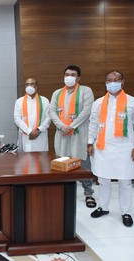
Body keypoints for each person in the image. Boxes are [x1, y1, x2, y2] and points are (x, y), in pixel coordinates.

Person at [88, 70, 134, 227]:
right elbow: (93, 124)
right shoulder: (98, 102)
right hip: (102, 148)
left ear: (123, 82)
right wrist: (89, 142)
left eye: (116, 79)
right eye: (109, 80)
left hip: (125, 149)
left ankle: (126, 212)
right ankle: (104, 207)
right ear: (105, 82)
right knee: (103, 180)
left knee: (125, 182)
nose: (112, 82)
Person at [49, 65, 96, 208]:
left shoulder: (85, 91)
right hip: (62, 133)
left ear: (78, 78)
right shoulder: (57, 93)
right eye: (67, 74)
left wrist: (72, 126)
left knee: (83, 163)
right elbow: (52, 112)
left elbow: (87, 111)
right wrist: (63, 126)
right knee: (62, 163)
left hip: (79, 134)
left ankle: (89, 194)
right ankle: (62, 193)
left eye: (73, 74)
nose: (69, 77)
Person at [14, 78, 51, 152]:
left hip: (40, 136)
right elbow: (17, 119)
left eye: (32, 84)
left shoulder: (44, 100)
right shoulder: (19, 101)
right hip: (25, 135)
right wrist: (29, 131)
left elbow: (49, 118)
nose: (29, 86)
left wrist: (38, 130)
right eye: (27, 84)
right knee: (25, 161)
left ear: (36, 87)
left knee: (41, 160)